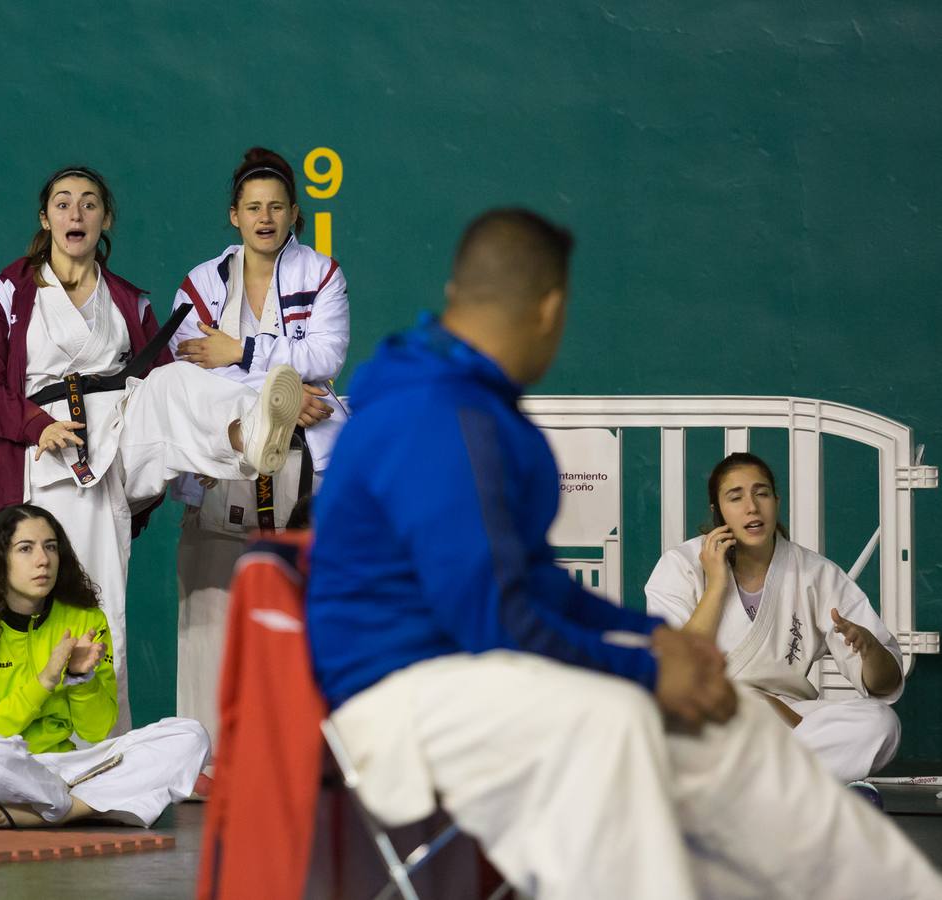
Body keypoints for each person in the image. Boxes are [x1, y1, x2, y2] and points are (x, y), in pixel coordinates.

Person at [304, 207, 941, 898]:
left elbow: (536, 587)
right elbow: (494, 622)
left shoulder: (468, 405)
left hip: (468, 672)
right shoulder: (437, 415)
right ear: (550, 310)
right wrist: (641, 668)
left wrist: (660, 641)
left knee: (725, 722)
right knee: (623, 720)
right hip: (397, 701)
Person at [0, 164, 305, 730]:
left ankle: (248, 433)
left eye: (89, 203)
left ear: (105, 219)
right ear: (45, 219)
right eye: (64, 203)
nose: (77, 213)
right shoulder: (7, 293)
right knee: (79, 605)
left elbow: (165, 384)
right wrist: (32, 425)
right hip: (45, 459)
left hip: (119, 438)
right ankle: (66, 746)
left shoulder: (129, 300)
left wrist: (193, 448)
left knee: (170, 381)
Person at [167, 147, 350, 747]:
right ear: (234, 216)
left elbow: (327, 356)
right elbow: (193, 373)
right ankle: (208, 755)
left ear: (294, 213)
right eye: (253, 208)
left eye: (276, 207)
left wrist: (245, 355)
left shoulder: (321, 273)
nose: (265, 217)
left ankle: (305, 748)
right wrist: (283, 393)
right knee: (210, 614)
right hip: (224, 459)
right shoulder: (198, 284)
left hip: (306, 465)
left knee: (303, 609)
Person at [0, 504, 208, 827]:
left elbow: (97, 730)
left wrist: (80, 677)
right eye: (25, 549)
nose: (42, 560)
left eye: (51, 547)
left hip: (53, 768)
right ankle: (78, 805)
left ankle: (56, 810)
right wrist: (44, 681)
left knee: (189, 735)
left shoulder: (83, 619)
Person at [645, 452, 905, 785]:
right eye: (735, 497)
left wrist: (870, 650)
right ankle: (784, 785)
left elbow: (884, 685)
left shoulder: (814, 574)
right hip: (711, 713)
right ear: (717, 511)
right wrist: (716, 584)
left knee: (881, 724)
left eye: (762, 493)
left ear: (776, 502)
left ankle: (746, 786)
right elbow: (676, 665)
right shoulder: (681, 566)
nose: (752, 507)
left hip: (790, 719)